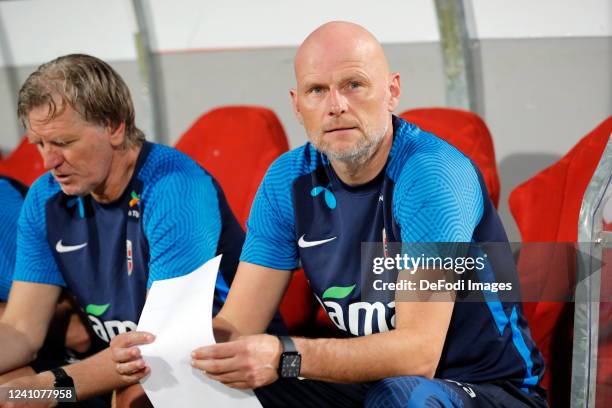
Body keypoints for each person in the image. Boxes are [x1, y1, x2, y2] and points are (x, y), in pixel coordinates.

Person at [114, 21, 547, 407]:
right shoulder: (288, 180)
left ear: (393, 91)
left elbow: (419, 353)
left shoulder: (431, 175)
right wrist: (163, 356)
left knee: (403, 396)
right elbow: (238, 325)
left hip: (488, 388)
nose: (335, 105)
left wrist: (285, 355)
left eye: (354, 84)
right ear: (297, 103)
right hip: (375, 383)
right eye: (317, 90)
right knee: (204, 385)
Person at [0, 54, 247, 404]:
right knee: (10, 381)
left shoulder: (175, 189)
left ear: (114, 127)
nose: (48, 162)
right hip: (119, 361)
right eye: (39, 144)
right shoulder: (45, 197)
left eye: (64, 143)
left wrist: (46, 389)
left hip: (207, 363)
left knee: (133, 397)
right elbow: (21, 329)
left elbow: (161, 346)